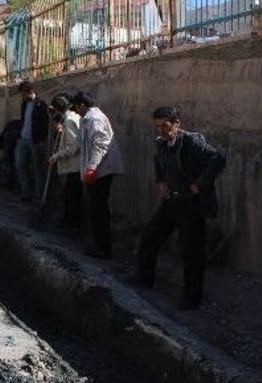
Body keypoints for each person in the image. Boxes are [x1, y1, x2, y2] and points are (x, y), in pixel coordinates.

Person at [139, 106, 226, 310]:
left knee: (192, 252)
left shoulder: (191, 142)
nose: (161, 130)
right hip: (172, 202)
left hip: (191, 203)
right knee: (150, 238)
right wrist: (161, 182)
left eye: (165, 126)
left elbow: (218, 159)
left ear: (176, 123)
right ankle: (144, 281)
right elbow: (159, 162)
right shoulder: (162, 144)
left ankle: (191, 298)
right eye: (158, 126)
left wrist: (200, 184)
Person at [72, 91, 124, 259]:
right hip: (98, 170)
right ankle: (100, 245)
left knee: (99, 210)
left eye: (76, 108)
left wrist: (91, 168)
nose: (75, 111)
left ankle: (103, 248)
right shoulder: (87, 118)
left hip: (101, 171)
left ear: (82, 105)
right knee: (96, 210)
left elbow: (100, 145)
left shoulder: (94, 119)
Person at [47, 95, 82, 230]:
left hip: (75, 166)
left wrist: (56, 156)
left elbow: (73, 147)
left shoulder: (69, 121)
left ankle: (72, 225)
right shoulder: (70, 118)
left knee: (72, 198)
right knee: (71, 196)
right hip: (75, 166)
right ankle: (71, 223)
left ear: (58, 109)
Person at [15, 81, 50, 201]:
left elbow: (45, 124)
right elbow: (23, 120)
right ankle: (26, 193)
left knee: (37, 169)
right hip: (23, 139)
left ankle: (38, 195)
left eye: (23, 94)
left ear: (30, 91)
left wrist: (42, 140)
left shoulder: (41, 104)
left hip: (35, 141)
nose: (22, 97)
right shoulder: (24, 104)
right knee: (20, 166)